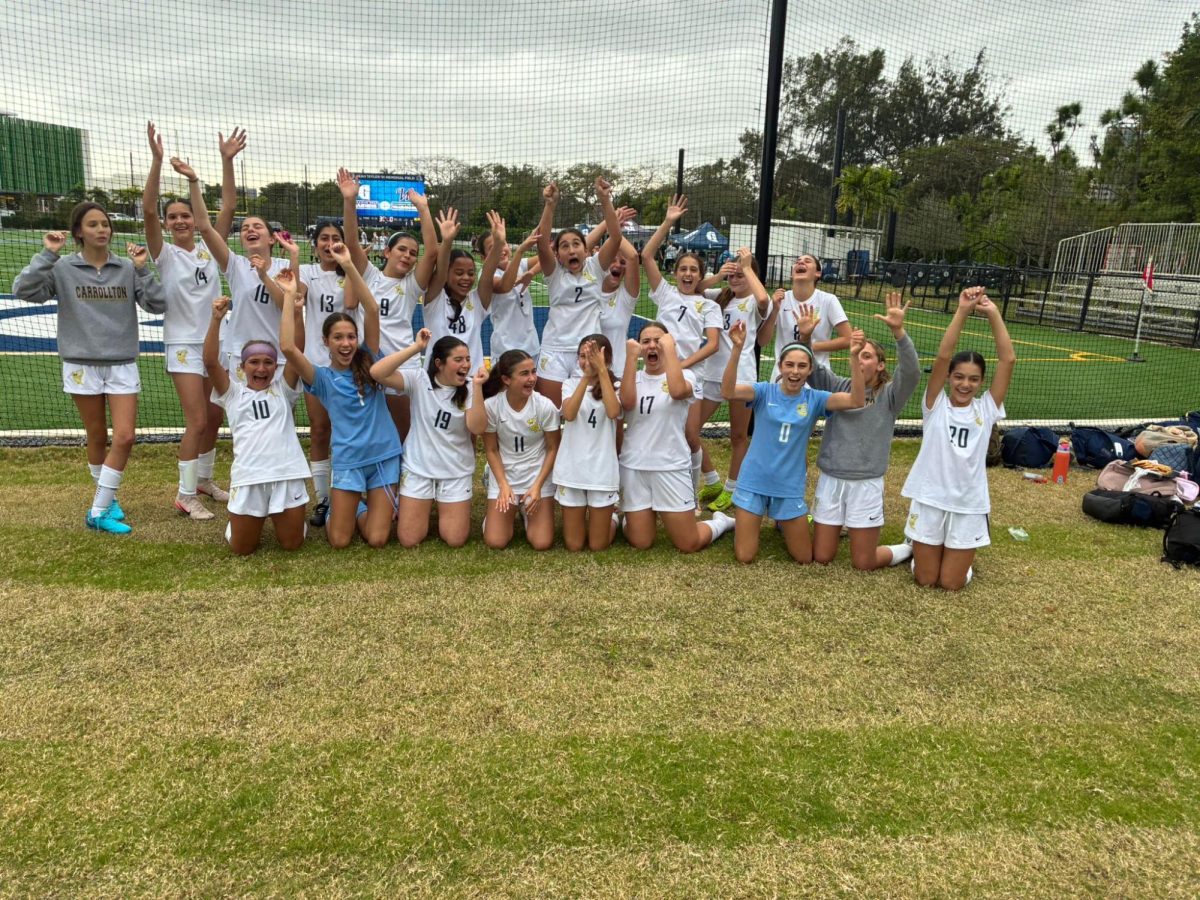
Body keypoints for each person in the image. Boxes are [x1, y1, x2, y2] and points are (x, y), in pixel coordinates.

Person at [13, 204, 166, 534]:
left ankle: (97, 510)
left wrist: (142, 270)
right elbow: (23, 290)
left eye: (105, 224)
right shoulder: (63, 268)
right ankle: (106, 502)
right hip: (81, 365)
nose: (102, 229)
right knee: (96, 436)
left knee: (125, 436)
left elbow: (158, 304)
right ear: (78, 232)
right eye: (93, 224)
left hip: (122, 364)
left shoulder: (126, 267)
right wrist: (48, 254)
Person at [143, 122, 243, 519]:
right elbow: (147, 210)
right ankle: (185, 495)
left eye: (185, 214)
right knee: (197, 420)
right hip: (183, 344)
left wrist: (222, 164)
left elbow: (229, 207)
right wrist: (157, 161)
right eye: (173, 217)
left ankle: (202, 480)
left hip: (214, 343)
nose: (181, 221)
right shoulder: (164, 254)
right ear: (167, 223)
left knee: (215, 416)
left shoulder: (207, 249)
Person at [277, 252, 400, 550]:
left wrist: (348, 265)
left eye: (350, 337)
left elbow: (372, 309)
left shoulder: (369, 360)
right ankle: (348, 505)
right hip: (348, 461)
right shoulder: (321, 378)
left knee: (377, 539)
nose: (346, 344)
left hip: (384, 457)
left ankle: (362, 505)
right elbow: (288, 348)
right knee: (339, 541)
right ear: (326, 342)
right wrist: (290, 297)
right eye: (338, 338)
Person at [721, 321, 866, 564]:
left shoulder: (815, 399)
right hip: (754, 481)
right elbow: (727, 392)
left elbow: (856, 401)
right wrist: (736, 349)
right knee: (745, 556)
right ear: (780, 366)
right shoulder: (764, 391)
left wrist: (853, 357)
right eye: (789, 365)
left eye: (801, 366)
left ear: (810, 370)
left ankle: (782, 518)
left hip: (788, 485)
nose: (795, 372)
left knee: (804, 557)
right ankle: (724, 522)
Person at [901, 286, 1015, 590]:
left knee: (951, 584)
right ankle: (916, 548)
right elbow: (943, 355)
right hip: (930, 497)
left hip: (968, 502)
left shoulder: (986, 409)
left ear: (981, 382)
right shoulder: (935, 404)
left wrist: (993, 313)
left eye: (974, 379)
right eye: (959, 377)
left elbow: (1008, 360)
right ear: (949, 377)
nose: (965, 384)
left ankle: (957, 557)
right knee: (926, 580)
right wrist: (963, 310)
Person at [803, 291, 921, 569]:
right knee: (822, 556)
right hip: (832, 478)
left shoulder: (890, 395)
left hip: (866, 483)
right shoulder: (839, 386)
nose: (860, 359)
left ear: (880, 366)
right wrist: (805, 338)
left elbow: (912, 372)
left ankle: (908, 547)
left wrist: (899, 332)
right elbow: (811, 371)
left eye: (866, 356)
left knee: (863, 562)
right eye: (857, 354)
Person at [295, 170, 372, 528]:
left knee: (352, 429)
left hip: (350, 364)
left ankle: (357, 492)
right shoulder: (307, 273)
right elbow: (296, 295)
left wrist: (349, 202)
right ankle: (324, 498)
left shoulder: (350, 273)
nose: (330, 244)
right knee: (320, 429)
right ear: (315, 245)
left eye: (336, 238)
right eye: (324, 239)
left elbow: (353, 301)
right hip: (317, 364)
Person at [203, 294, 309, 555]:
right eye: (254, 362)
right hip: (249, 477)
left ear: (275, 367)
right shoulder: (233, 394)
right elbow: (210, 362)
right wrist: (216, 320)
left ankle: (290, 518)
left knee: (292, 544)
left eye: (268, 362)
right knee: (242, 549)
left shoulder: (283, 390)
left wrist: (297, 313)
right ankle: (242, 521)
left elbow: (296, 351)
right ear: (242, 367)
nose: (261, 368)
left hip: (286, 474)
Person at [177, 157, 300, 381]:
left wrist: (265, 276)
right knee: (239, 404)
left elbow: (289, 306)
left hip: (278, 357)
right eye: (245, 228)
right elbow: (205, 227)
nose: (250, 230)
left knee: (279, 406)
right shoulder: (236, 265)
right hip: (241, 356)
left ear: (272, 239)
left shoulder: (284, 267)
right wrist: (194, 181)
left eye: (257, 226)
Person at [619, 322, 735, 552]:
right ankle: (629, 515)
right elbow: (627, 403)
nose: (652, 345)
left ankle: (721, 522)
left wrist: (670, 349)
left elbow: (677, 391)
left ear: (669, 343)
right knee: (641, 542)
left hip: (670, 466)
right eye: (646, 342)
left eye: (658, 341)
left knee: (688, 543)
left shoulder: (687, 376)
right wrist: (630, 359)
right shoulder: (633, 376)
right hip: (634, 467)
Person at [342, 182, 438, 443]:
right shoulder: (369, 276)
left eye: (412, 253)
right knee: (371, 432)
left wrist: (423, 209)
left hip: (402, 366)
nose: (407, 256)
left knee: (404, 433)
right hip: (367, 364)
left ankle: (405, 471)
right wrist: (350, 201)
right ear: (387, 251)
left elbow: (432, 253)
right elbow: (351, 243)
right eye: (401, 249)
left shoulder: (410, 286)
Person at [640, 194, 722, 495]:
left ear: (700, 276)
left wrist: (681, 364)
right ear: (675, 273)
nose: (688, 274)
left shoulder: (708, 305)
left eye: (694, 270)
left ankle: (691, 492)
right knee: (652, 429)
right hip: (655, 371)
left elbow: (712, 344)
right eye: (683, 269)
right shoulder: (666, 294)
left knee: (690, 436)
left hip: (690, 375)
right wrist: (667, 222)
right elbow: (646, 256)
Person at [371, 334, 476, 548]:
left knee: (455, 539)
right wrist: (416, 347)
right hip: (418, 469)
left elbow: (477, 428)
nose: (465, 365)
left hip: (455, 471)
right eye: (458, 360)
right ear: (439, 363)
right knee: (409, 540)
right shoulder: (419, 380)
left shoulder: (473, 387)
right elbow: (377, 372)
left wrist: (480, 387)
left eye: (467, 359)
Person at [533, 177, 624, 406]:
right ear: (557, 254)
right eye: (564, 246)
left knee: (586, 411)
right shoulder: (554, 272)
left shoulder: (595, 267)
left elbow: (615, 238)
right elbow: (542, 243)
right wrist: (550, 205)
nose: (571, 249)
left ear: (586, 249)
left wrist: (605, 200)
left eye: (576, 244)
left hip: (587, 350)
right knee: (552, 413)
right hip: (554, 350)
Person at [696, 248, 770, 512]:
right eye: (733, 275)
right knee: (689, 429)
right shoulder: (721, 296)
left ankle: (731, 489)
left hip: (742, 376)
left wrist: (747, 267)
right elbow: (697, 288)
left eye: (742, 275)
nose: (736, 279)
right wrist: (719, 275)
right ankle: (712, 480)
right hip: (711, 375)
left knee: (738, 436)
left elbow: (763, 299)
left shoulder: (754, 301)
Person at [466, 350, 561, 550]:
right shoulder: (492, 406)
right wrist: (503, 485)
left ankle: (525, 510)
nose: (532, 378)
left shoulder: (545, 406)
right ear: (506, 380)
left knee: (542, 543)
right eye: (524, 373)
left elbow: (553, 448)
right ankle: (495, 493)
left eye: (533, 372)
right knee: (495, 541)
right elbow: (491, 450)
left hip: (536, 477)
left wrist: (537, 486)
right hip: (505, 476)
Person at [554, 335, 622, 552]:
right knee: (574, 545)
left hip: (602, 471)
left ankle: (614, 518)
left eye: (592, 356)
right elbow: (569, 414)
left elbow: (613, 412)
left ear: (606, 359)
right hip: (571, 469)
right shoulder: (569, 384)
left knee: (597, 545)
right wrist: (585, 377)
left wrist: (601, 371)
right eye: (582, 356)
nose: (586, 361)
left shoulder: (616, 385)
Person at [759, 253, 851, 370]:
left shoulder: (828, 300)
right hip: (782, 375)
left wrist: (809, 346)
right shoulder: (780, 299)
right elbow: (762, 341)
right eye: (797, 261)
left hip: (817, 375)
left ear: (818, 273)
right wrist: (774, 311)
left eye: (807, 261)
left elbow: (848, 339)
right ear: (792, 273)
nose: (800, 262)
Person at [474, 222, 541, 360]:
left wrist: (532, 272)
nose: (501, 249)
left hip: (531, 347)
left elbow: (547, 257)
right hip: (505, 350)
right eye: (493, 248)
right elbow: (504, 286)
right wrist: (520, 251)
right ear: (484, 258)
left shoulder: (520, 264)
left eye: (503, 244)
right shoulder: (486, 275)